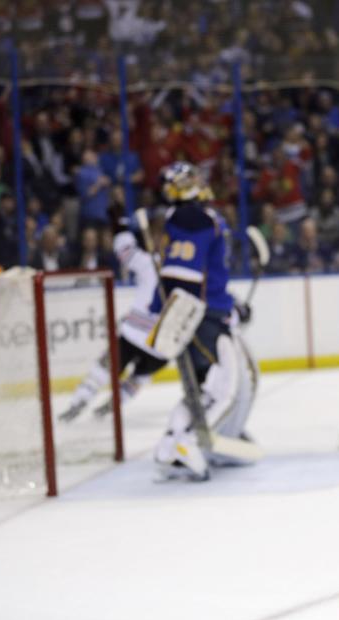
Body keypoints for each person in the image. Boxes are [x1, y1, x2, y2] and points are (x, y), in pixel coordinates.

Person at [149, 162, 256, 481]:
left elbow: (187, 275)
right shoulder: (195, 219)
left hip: (195, 314)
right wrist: (204, 310)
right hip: (203, 318)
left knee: (199, 390)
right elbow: (184, 275)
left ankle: (169, 445)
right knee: (224, 388)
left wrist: (230, 303)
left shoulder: (176, 221)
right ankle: (190, 442)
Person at [58, 218, 168, 423]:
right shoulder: (191, 271)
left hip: (135, 334)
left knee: (104, 368)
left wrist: (122, 228)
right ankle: (115, 404)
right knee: (140, 377)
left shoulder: (147, 262)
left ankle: (80, 401)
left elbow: (123, 250)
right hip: (163, 344)